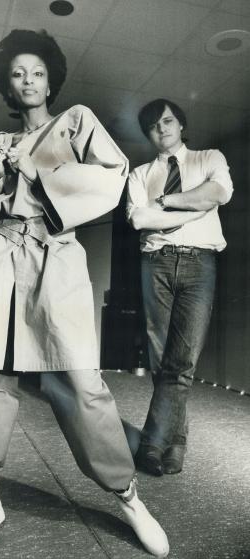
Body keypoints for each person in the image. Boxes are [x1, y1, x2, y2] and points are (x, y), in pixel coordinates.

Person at [0, 30, 169, 556]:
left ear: (51, 81)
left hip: (52, 255)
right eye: (18, 73)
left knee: (80, 383)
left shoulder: (77, 122)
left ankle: (127, 495)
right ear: (7, 83)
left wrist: (36, 173)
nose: (28, 81)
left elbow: (113, 178)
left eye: (37, 72)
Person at [127, 98, 233, 477]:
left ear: (180, 124)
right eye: (153, 125)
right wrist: (195, 206)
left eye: (168, 120)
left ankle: (153, 443)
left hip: (199, 264)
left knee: (182, 361)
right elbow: (140, 219)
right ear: (148, 133)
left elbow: (218, 194)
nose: (162, 129)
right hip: (155, 263)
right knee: (162, 360)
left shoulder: (210, 158)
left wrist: (168, 201)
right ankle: (177, 443)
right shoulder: (139, 175)